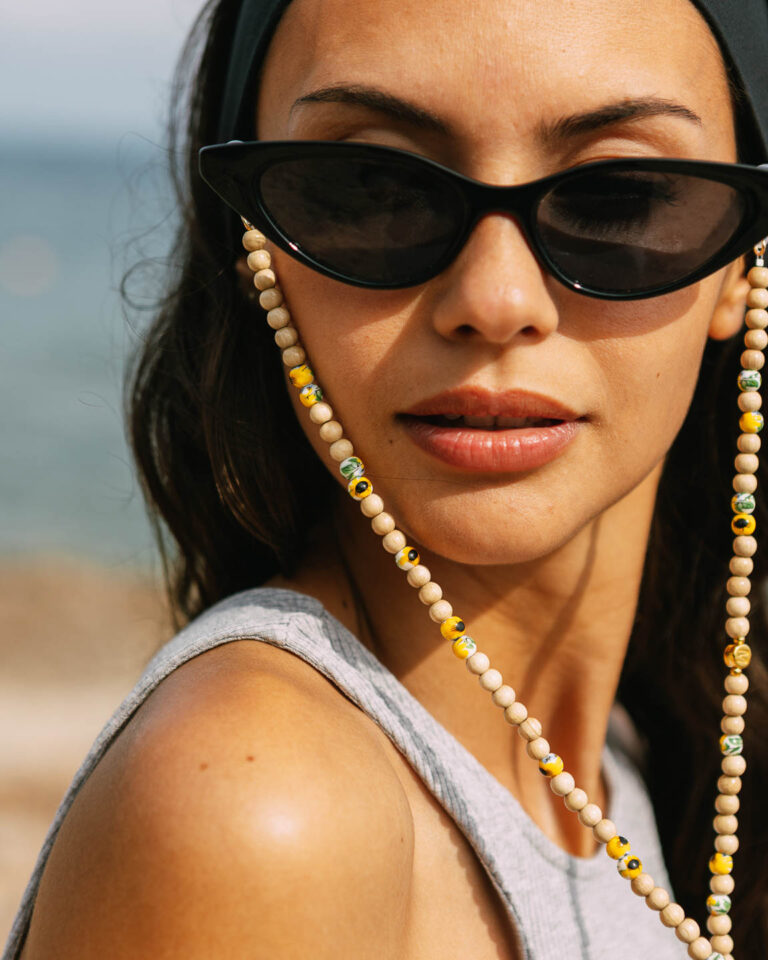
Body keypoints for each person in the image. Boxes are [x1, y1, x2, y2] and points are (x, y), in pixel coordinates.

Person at [5, 0, 768, 957]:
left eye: (619, 194)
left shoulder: (622, 756)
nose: (496, 302)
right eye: (370, 186)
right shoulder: (260, 807)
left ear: (740, 262)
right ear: (255, 244)